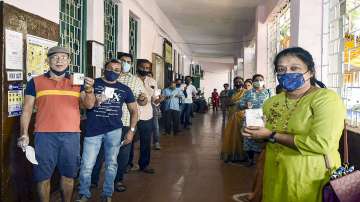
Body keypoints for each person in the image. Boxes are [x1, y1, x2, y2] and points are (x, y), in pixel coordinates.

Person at [243, 47, 345, 202]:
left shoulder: (326, 99)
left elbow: (322, 144)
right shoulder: (271, 102)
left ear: (310, 72)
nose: (287, 73)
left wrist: (271, 135)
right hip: (274, 172)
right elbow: (263, 139)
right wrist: (254, 133)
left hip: (310, 176)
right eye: (281, 69)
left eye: (294, 68)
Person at [17, 46, 95, 202]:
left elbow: (89, 105)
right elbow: (26, 110)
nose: (60, 60)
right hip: (44, 136)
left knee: (68, 175)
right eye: (55, 57)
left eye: (64, 57)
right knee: (42, 177)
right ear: (48, 61)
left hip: (71, 135)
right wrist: (23, 133)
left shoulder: (77, 81)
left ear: (69, 61)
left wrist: (89, 90)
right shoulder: (35, 82)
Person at [77, 59, 138, 202]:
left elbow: (134, 111)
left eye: (117, 70)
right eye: (110, 68)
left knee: (111, 164)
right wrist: (92, 96)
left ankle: (107, 194)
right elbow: (85, 106)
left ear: (121, 72)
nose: (113, 72)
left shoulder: (125, 89)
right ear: (104, 68)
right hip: (93, 130)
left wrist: (131, 131)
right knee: (87, 164)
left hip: (114, 131)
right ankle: (84, 193)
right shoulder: (92, 84)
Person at [91, 52, 146, 193]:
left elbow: (142, 102)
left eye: (128, 61)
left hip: (125, 123)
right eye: (123, 60)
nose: (125, 63)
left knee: (122, 156)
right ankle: (93, 181)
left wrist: (142, 98)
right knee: (99, 154)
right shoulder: (100, 81)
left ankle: (117, 180)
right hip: (102, 123)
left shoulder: (135, 81)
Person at [127, 59, 164, 174]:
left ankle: (144, 164)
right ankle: (128, 164)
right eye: (143, 67)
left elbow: (155, 100)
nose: (145, 70)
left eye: (147, 68)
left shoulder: (152, 81)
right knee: (129, 140)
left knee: (146, 141)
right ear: (137, 67)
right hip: (131, 114)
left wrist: (159, 100)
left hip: (147, 115)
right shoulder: (131, 80)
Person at [239, 74, 271, 167]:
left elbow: (273, 105)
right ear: (253, 82)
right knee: (248, 140)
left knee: (261, 140)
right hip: (249, 120)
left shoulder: (268, 92)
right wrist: (245, 105)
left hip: (263, 120)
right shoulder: (248, 93)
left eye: (261, 80)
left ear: (264, 81)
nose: (259, 81)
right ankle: (250, 160)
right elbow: (240, 104)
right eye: (256, 80)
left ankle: (259, 161)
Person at [220, 77, 247, 162]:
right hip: (232, 114)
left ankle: (243, 155)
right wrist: (234, 102)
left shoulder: (247, 92)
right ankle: (232, 154)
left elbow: (248, 103)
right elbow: (227, 103)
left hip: (242, 115)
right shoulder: (231, 92)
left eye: (240, 81)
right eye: (236, 82)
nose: (238, 83)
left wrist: (241, 103)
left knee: (241, 134)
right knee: (232, 133)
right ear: (234, 83)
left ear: (243, 82)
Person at [148, 72, 162, 150]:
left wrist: (160, 99)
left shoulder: (155, 87)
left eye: (150, 76)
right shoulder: (140, 85)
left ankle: (156, 142)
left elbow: (156, 100)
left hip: (153, 107)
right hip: (141, 108)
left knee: (155, 126)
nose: (148, 78)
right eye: (147, 76)